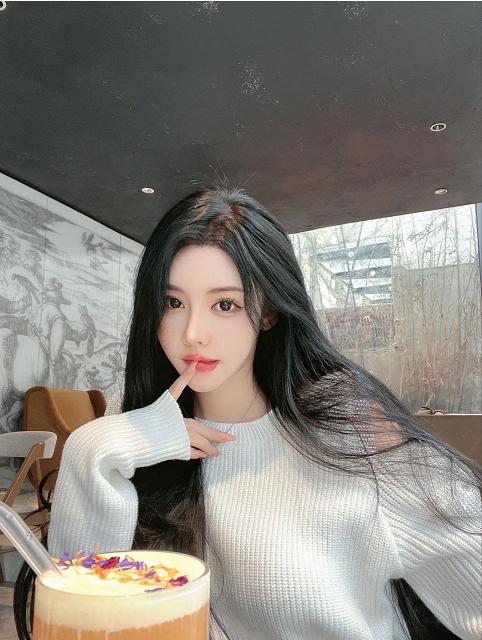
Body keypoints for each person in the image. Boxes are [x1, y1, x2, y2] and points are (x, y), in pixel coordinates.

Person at [16, 188, 481, 639]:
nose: (192, 333)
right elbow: (85, 621)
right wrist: (91, 450)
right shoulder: (131, 434)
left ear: (268, 311)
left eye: (225, 304)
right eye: (173, 303)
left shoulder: (351, 434)